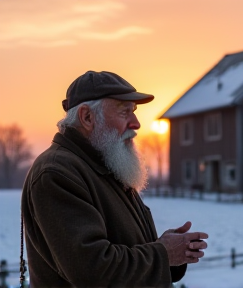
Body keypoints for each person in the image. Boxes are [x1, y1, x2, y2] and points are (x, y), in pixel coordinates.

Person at [21, 70, 208, 288]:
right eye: (124, 112)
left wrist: (171, 250)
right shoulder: (56, 173)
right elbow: (93, 271)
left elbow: (127, 248)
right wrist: (164, 253)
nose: (136, 123)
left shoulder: (108, 164)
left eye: (134, 112)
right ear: (87, 117)